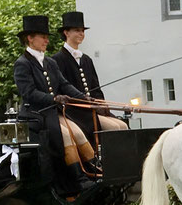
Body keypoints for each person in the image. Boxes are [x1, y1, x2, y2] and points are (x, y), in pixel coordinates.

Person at [13, 14, 97, 194]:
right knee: (66, 136)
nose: (47, 41)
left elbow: (64, 84)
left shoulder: (50, 62)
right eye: (43, 37)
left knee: (78, 133)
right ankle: (78, 180)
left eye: (47, 37)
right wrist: (53, 99)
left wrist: (83, 97)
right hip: (36, 116)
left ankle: (94, 170)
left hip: (53, 113)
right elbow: (29, 93)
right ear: (30, 38)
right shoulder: (22, 64)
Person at [49, 10, 127, 141]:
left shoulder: (86, 59)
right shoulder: (57, 59)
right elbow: (60, 89)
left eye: (82, 31)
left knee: (123, 126)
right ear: (66, 33)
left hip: (91, 110)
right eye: (77, 30)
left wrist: (101, 104)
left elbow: (96, 88)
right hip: (74, 111)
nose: (81, 34)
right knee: (114, 127)